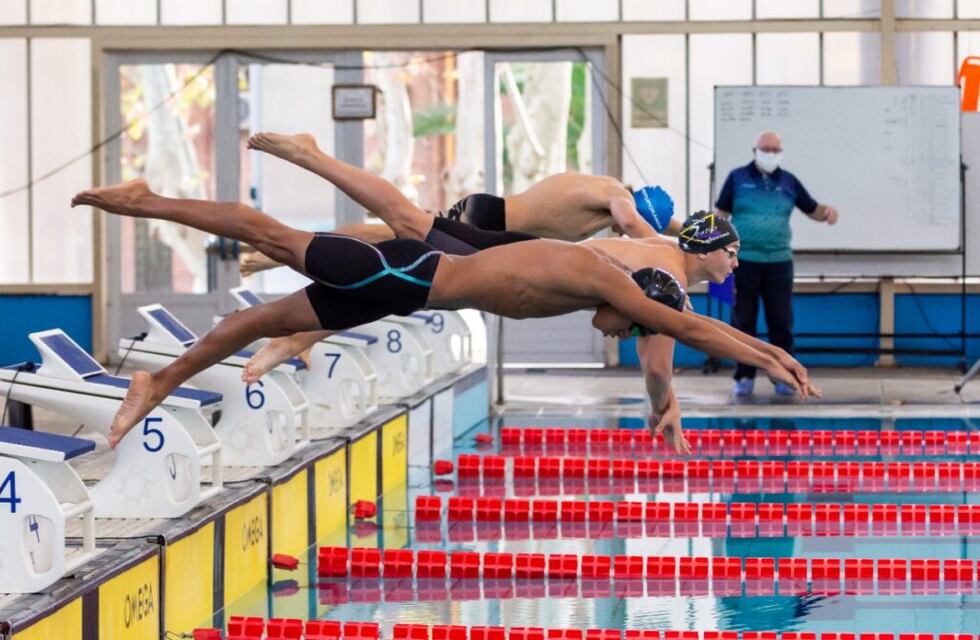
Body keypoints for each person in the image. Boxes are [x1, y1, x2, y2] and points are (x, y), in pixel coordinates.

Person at [71, 175, 818, 451]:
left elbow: (688, 325)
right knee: (272, 235)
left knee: (265, 322)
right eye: (631, 331)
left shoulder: (617, 287)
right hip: (410, 272)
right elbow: (686, 326)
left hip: (408, 286)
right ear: (637, 310)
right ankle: (148, 201)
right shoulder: (617, 283)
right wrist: (771, 355)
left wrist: (770, 355)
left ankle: (160, 382)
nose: (615, 337)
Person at [239, 134, 812, 453]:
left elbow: (688, 326)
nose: (736, 260)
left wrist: (768, 356)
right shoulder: (664, 278)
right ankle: (295, 272)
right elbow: (668, 354)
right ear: (706, 247)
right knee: (402, 250)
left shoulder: (657, 253)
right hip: (510, 246)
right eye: (730, 251)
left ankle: (290, 271)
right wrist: (669, 404)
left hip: (508, 231)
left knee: (401, 239)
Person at [715, 130, 838, 398]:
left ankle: (784, 378)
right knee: (743, 321)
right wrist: (716, 245)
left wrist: (827, 212)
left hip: (779, 262)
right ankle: (744, 376)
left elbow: (812, 208)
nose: (770, 154)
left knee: (781, 322)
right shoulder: (737, 178)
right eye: (765, 149)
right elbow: (720, 214)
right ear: (755, 151)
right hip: (743, 261)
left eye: (774, 149)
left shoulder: (789, 182)